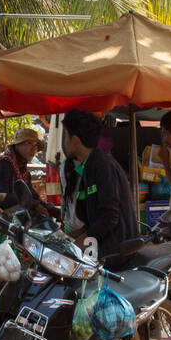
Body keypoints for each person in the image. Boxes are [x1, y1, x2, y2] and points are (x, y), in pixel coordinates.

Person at [61, 109, 137, 259]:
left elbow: (109, 217)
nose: (64, 142)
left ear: (75, 140)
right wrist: (69, 237)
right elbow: (95, 219)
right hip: (104, 250)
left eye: (65, 136)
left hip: (117, 253)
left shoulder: (103, 165)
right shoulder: (90, 165)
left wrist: (79, 242)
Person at [0, 125, 47, 214]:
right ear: (17, 145)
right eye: (29, 143)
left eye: (36, 145)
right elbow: (3, 198)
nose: (34, 149)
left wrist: (49, 208)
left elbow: (32, 196)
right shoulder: (4, 163)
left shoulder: (24, 172)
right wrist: (34, 205)